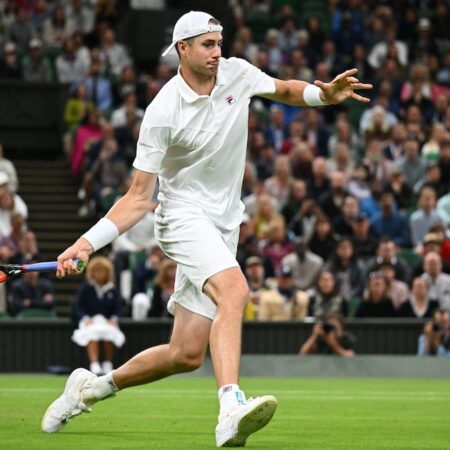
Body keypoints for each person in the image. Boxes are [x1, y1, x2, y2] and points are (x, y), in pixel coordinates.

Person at [41, 10, 371, 447]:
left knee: (185, 354)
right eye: (208, 45)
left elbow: (286, 89)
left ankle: (90, 388)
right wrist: (86, 243)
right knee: (235, 291)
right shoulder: (162, 110)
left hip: (223, 223)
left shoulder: (236, 73)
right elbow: (139, 196)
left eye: (219, 43)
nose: (219, 52)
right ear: (183, 49)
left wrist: (324, 96)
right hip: (181, 216)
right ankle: (230, 407)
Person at [71, 256, 125, 376]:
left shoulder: (113, 289)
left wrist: (114, 318)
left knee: (109, 332)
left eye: (102, 271)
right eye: (97, 270)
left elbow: (118, 309)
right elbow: (78, 307)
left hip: (106, 321)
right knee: (92, 333)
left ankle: (107, 364)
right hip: (89, 321)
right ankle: (94, 364)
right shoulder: (86, 287)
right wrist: (85, 318)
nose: (100, 273)